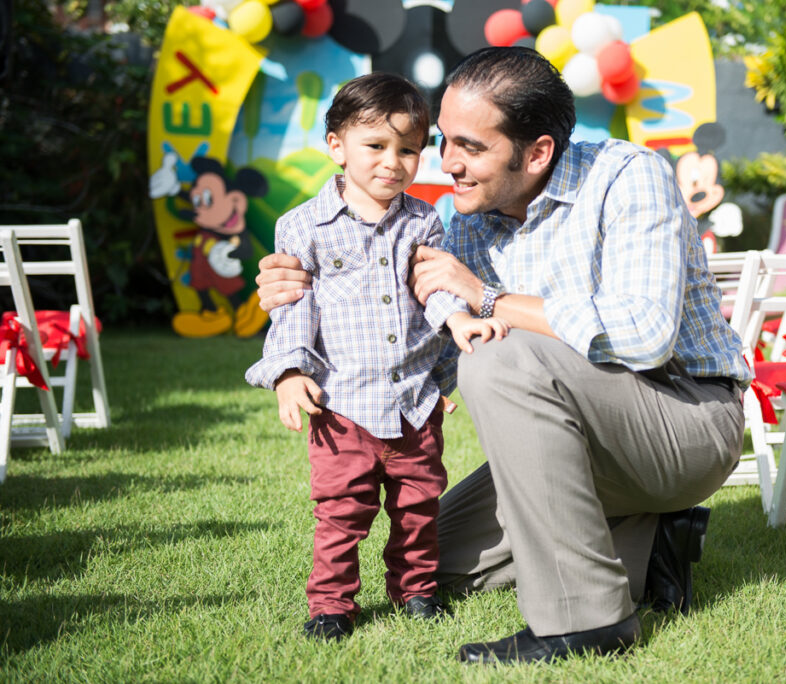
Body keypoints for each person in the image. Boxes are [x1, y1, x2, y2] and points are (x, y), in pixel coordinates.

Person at [255, 47, 752, 663]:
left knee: (497, 357)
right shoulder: (460, 220)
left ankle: (587, 621)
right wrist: (301, 287)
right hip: (577, 440)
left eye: (470, 147)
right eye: (443, 141)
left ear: (537, 152)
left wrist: (489, 297)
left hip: (682, 421)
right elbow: (416, 323)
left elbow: (644, 335)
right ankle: (652, 546)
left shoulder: (629, 178)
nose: (447, 164)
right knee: (435, 563)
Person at [244, 73, 509, 643]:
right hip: (342, 404)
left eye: (408, 149)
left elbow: (432, 284)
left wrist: (458, 318)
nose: (393, 161)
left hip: (414, 400)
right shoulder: (302, 227)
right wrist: (290, 374)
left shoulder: (424, 220)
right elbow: (292, 307)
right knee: (342, 513)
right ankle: (331, 604)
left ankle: (416, 590)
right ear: (336, 145)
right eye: (376, 146)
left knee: (418, 508)